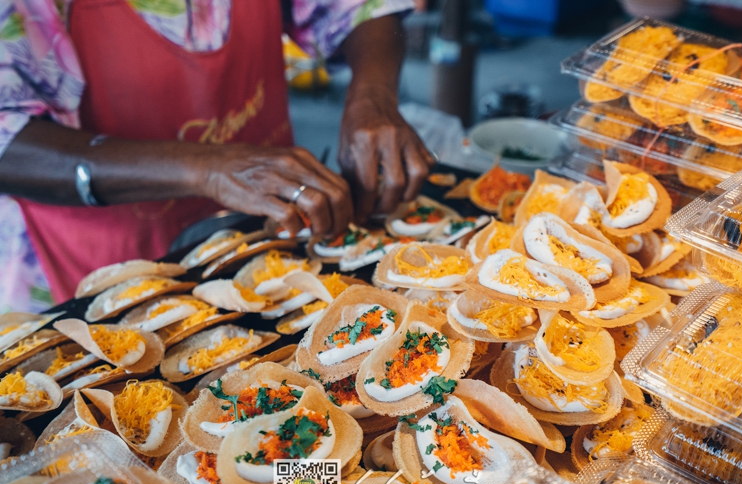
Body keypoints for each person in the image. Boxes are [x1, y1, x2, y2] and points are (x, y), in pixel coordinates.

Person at [0, 0, 434, 312]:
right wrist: (207, 167)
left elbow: (357, 6)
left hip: (271, 237)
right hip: (98, 261)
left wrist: (373, 95)